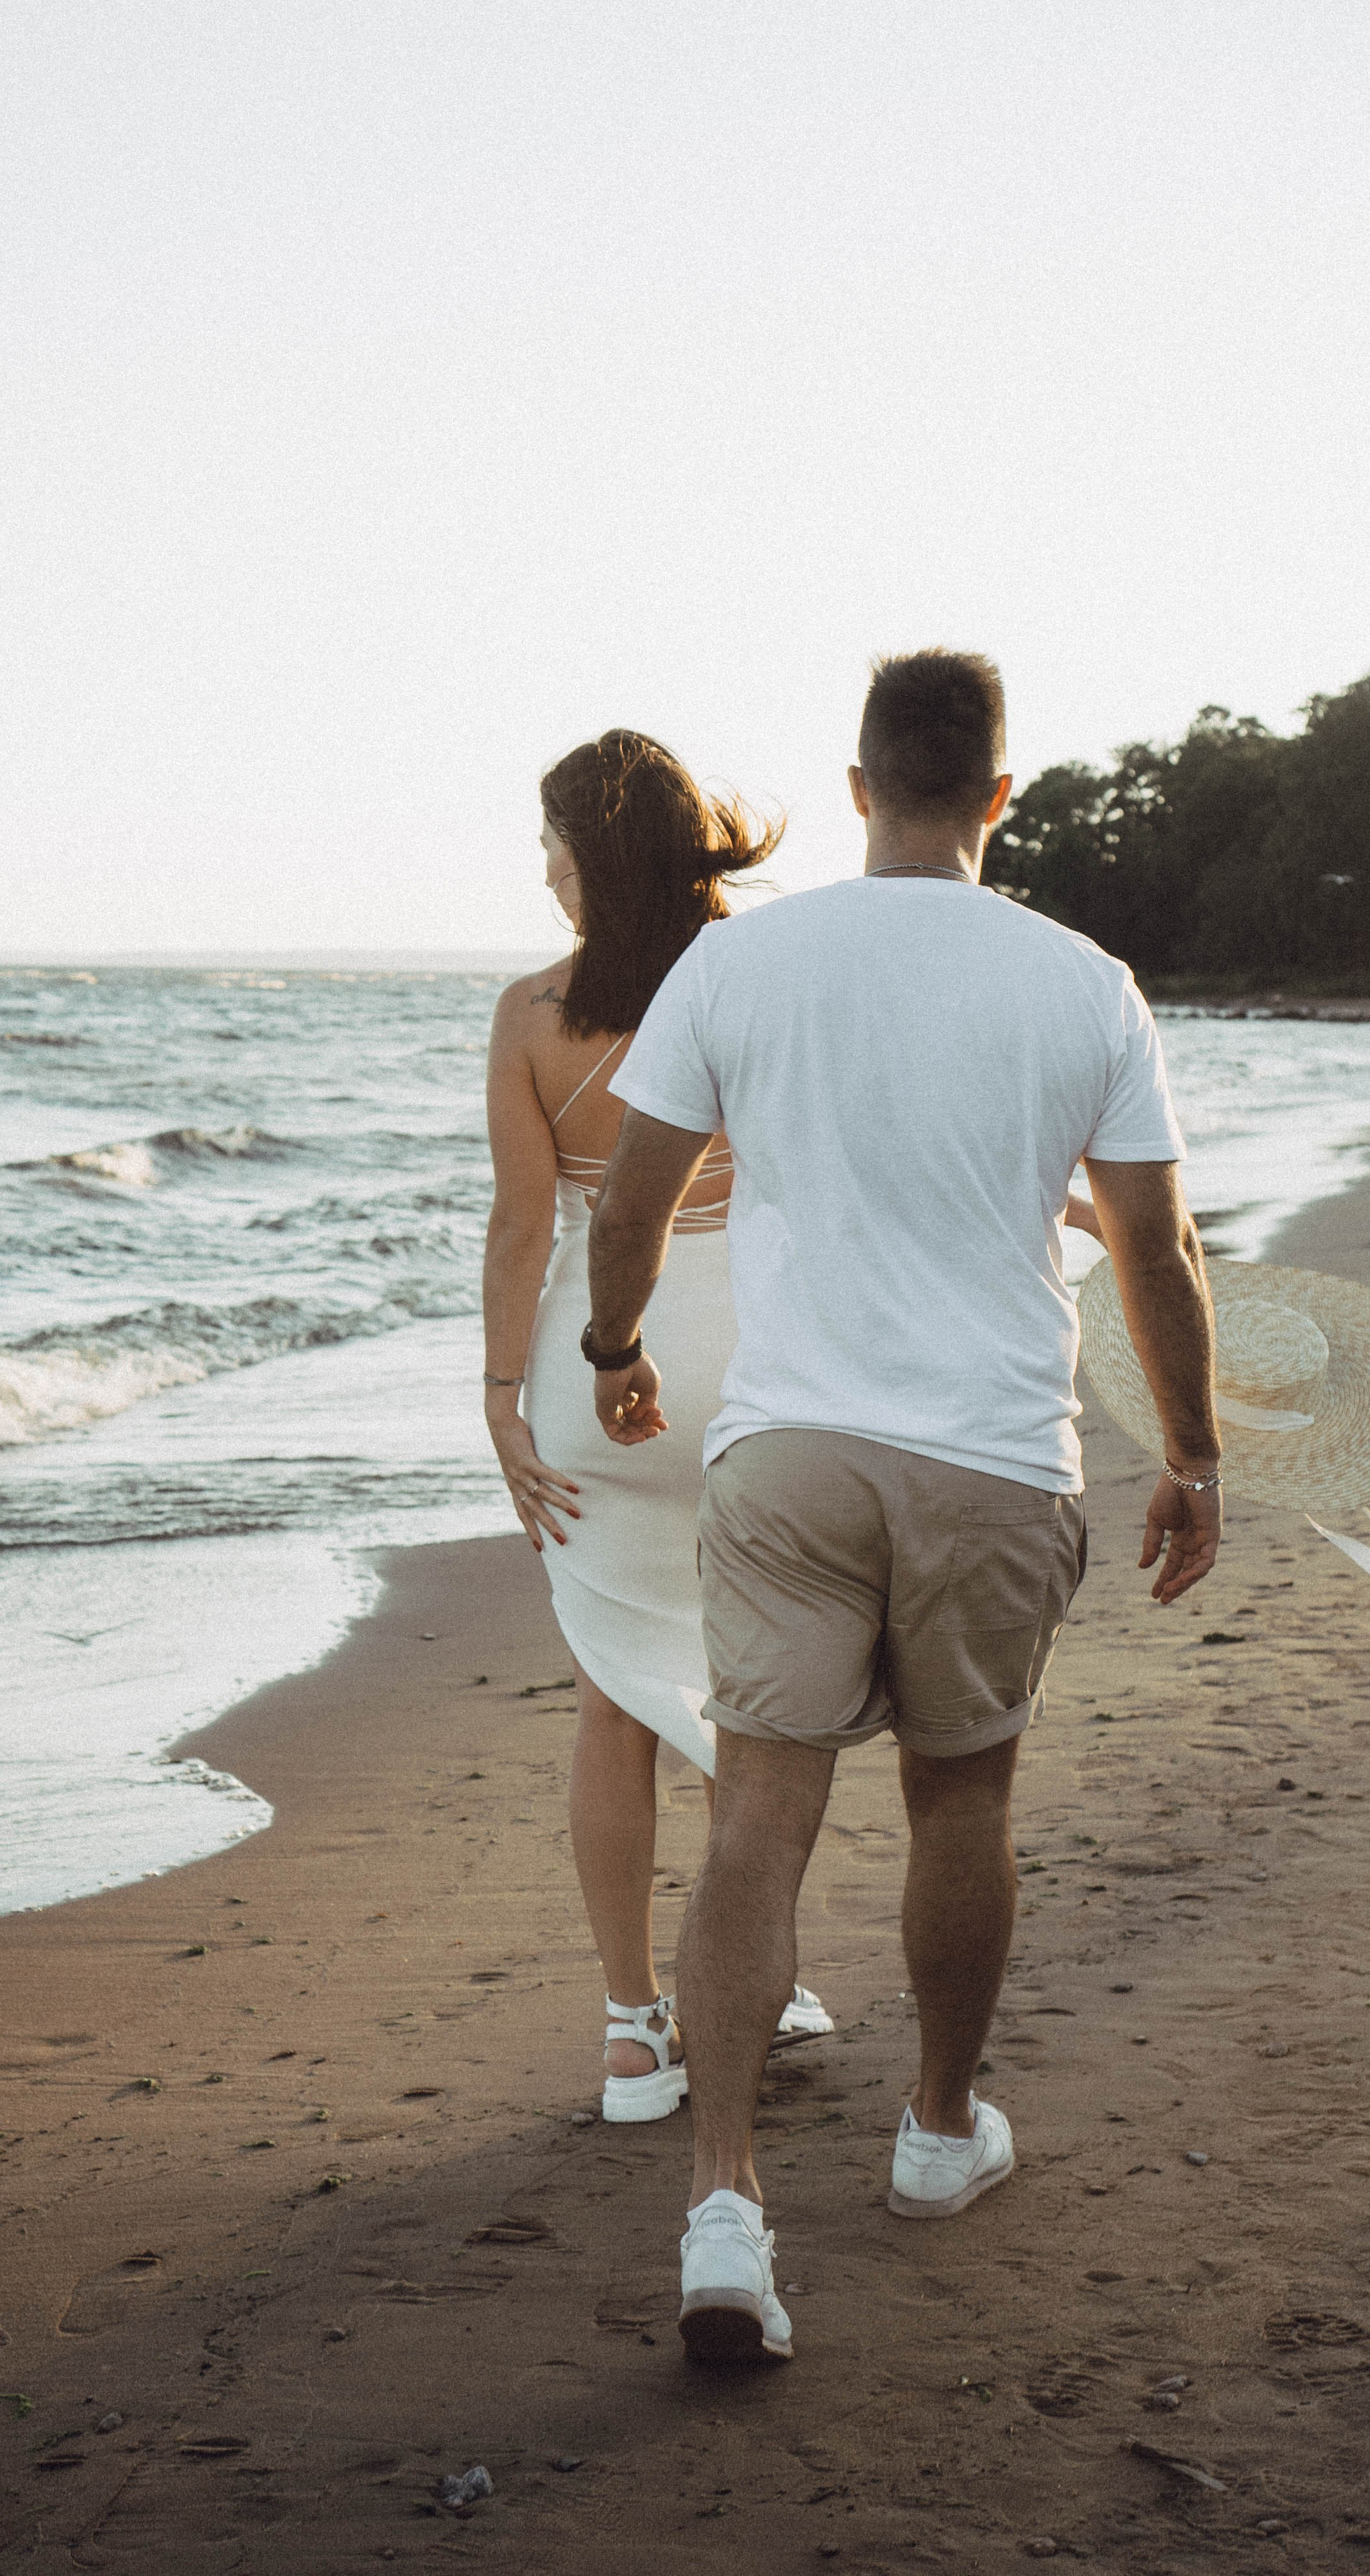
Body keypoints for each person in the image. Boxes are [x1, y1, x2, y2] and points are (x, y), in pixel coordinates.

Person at [582, 651, 1221, 2363]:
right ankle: (937, 2135)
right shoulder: (1085, 984)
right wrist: (1193, 1452)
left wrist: (613, 1351)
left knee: (755, 1821)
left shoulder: (741, 960)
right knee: (960, 1803)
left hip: (789, 1453)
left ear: (858, 787)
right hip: (994, 1456)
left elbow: (631, 1203)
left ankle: (724, 2208)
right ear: (997, 796)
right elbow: (1151, 1247)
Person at [482, 731, 834, 2125]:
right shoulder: (765, 978)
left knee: (611, 1694)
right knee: (746, 1686)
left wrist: (501, 1400)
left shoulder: (528, 1014)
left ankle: (634, 2032)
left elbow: (524, 1228)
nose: (544, 870)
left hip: (599, 1367)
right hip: (753, 1364)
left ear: (595, 855)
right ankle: (764, 1979)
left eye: (552, 842)